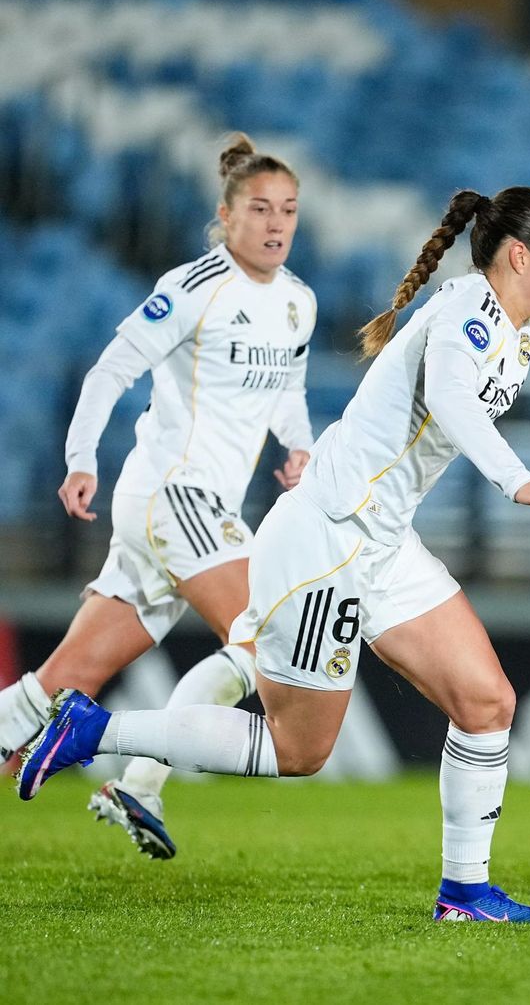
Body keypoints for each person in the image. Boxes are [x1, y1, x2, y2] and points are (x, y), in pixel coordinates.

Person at [17, 185, 530, 925]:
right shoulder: (463, 314)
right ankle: (95, 733)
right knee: (297, 750)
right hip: (330, 537)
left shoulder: (523, 320)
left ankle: (464, 891)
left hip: (383, 542)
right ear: (517, 257)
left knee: (488, 703)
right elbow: (457, 403)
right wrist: (519, 480)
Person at [0, 134, 314, 859]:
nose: (276, 224)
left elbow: (287, 396)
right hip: (174, 496)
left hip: (200, 510)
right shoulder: (194, 285)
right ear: (226, 214)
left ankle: (104, 764)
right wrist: (81, 458)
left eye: (289, 211)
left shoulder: (298, 302)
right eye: (260, 208)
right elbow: (111, 370)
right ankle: (141, 781)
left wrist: (298, 446)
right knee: (265, 634)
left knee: (64, 676)